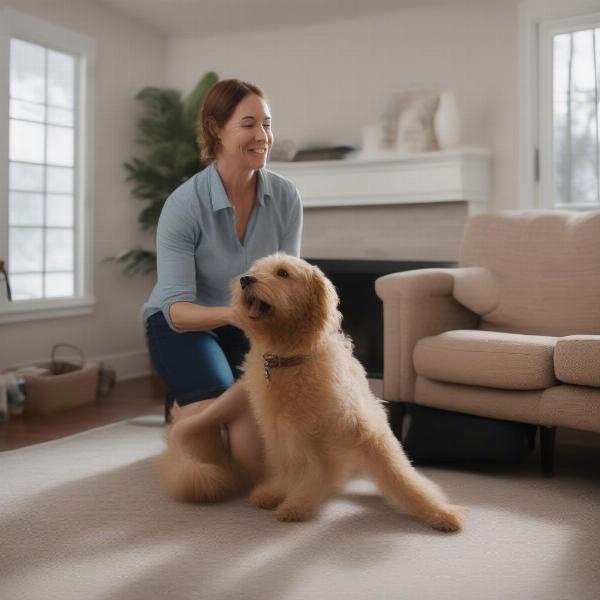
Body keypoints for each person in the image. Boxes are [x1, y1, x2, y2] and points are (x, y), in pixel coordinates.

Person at [142, 79, 302, 479]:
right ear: (216, 129)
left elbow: (288, 285)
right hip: (185, 324)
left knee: (253, 457)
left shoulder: (285, 197)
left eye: (266, 124)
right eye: (249, 124)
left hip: (249, 324)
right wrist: (233, 316)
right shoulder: (184, 205)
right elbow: (176, 310)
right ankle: (185, 408)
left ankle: (195, 404)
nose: (262, 136)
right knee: (211, 452)